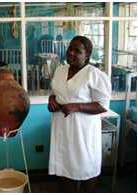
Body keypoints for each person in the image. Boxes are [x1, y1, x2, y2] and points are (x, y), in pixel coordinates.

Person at [47, 36, 111, 192]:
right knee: (64, 167)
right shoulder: (60, 70)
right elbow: (56, 92)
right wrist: (51, 100)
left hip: (82, 131)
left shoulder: (94, 74)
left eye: (78, 51)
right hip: (61, 127)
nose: (71, 53)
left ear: (87, 55)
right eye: (70, 49)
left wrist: (77, 106)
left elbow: (103, 105)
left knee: (85, 166)